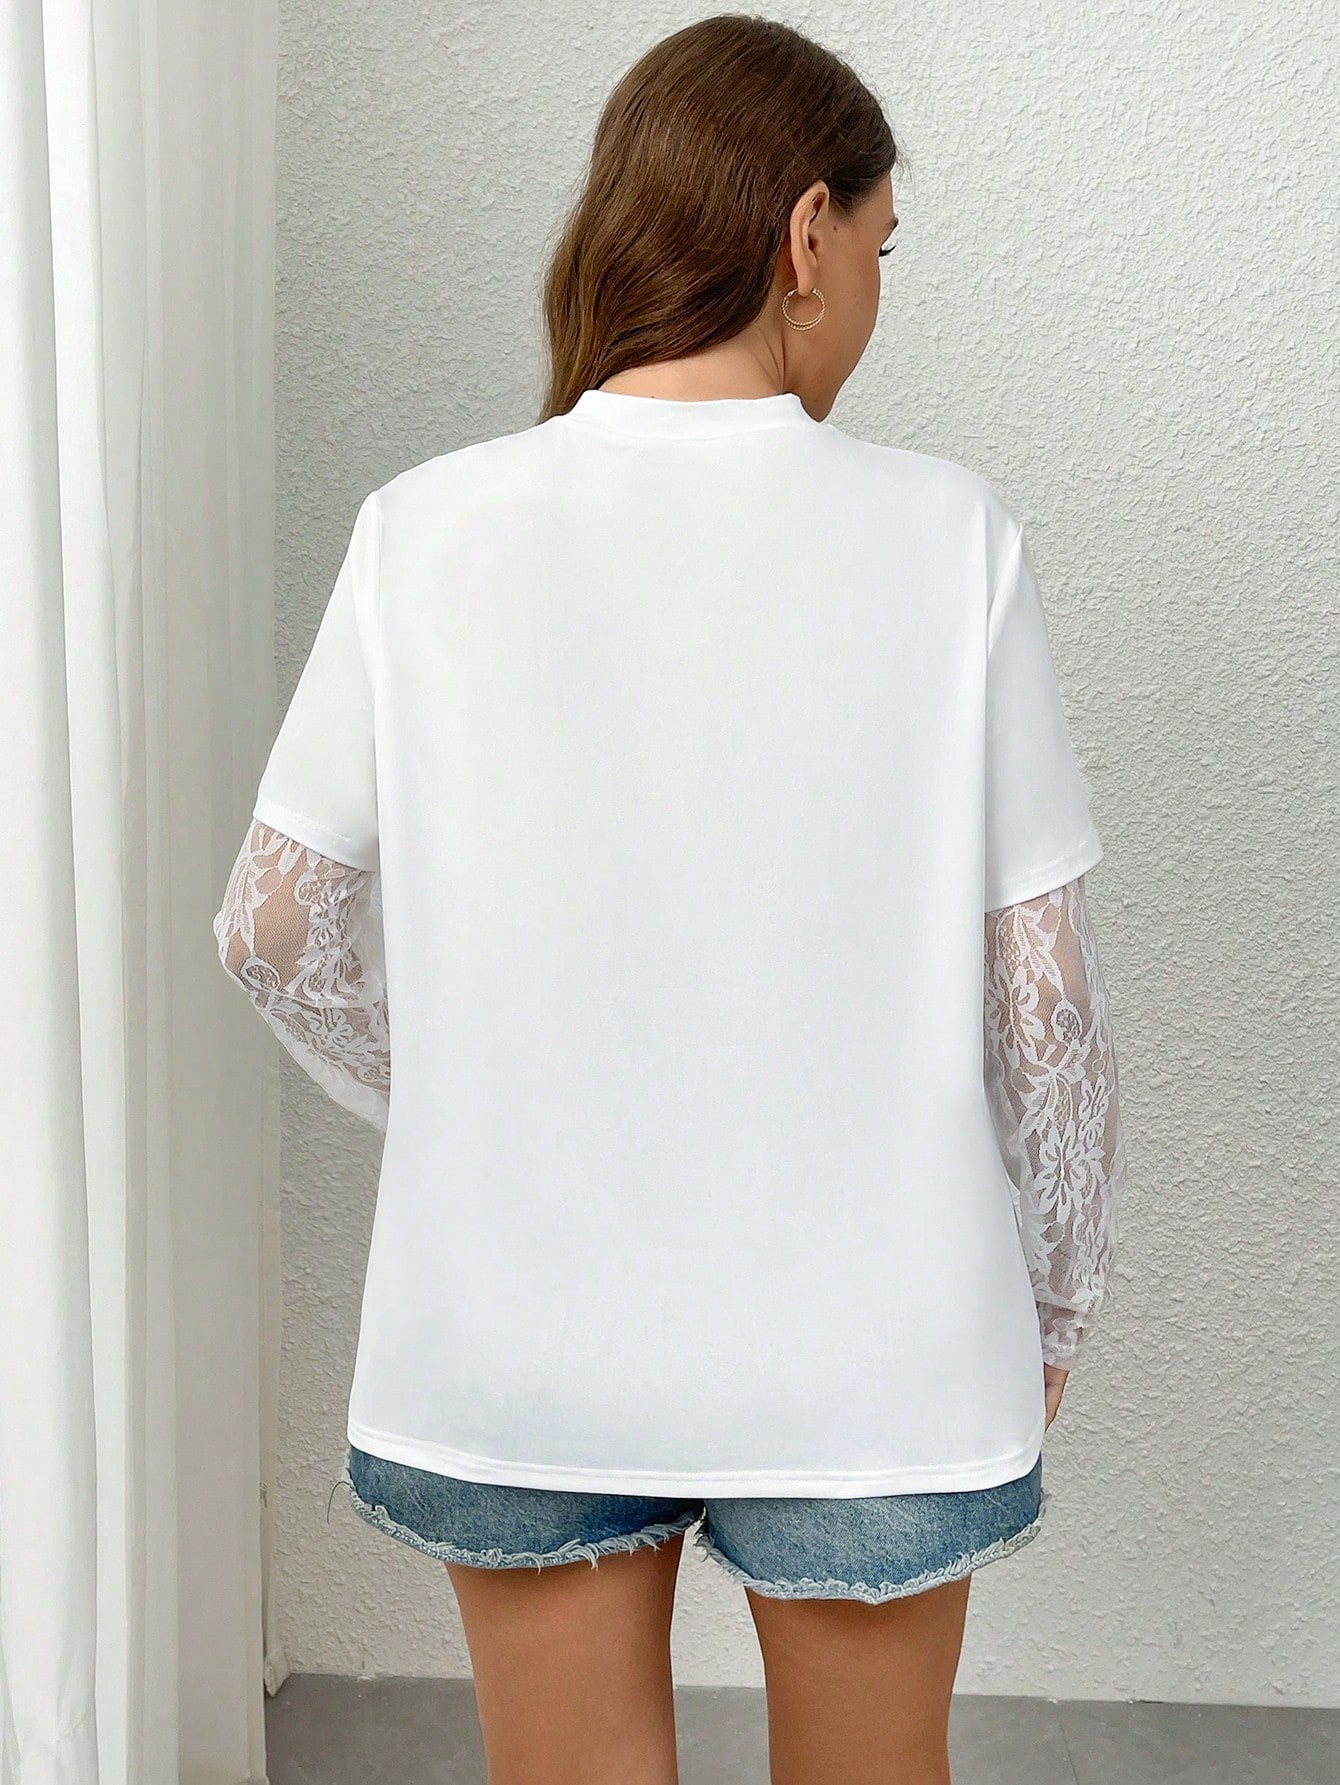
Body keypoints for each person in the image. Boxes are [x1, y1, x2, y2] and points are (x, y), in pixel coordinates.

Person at [213, 14, 1127, 1783]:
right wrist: (1061, 1290)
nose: (877, 294)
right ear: (805, 235)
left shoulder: (424, 527)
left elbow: (270, 922)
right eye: (881, 248)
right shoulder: (951, 537)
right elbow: (1050, 994)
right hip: (875, 1339)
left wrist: (463, 1084)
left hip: (516, 1324)